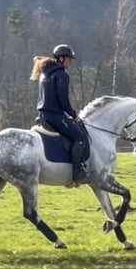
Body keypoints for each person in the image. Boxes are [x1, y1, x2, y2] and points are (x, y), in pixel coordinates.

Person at [30, 44, 91, 184]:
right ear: (61, 58)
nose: (71, 62)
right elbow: (63, 100)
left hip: (43, 115)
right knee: (80, 137)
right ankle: (78, 172)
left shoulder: (46, 72)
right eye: (69, 59)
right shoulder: (61, 74)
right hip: (55, 115)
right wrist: (73, 115)